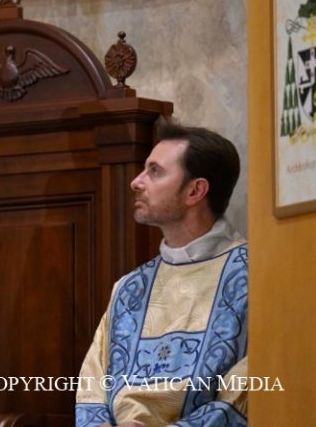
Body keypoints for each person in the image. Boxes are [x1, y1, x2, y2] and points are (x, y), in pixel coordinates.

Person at [75, 121, 247, 426]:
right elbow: (92, 385)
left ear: (195, 190)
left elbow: (250, 387)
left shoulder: (253, 276)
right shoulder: (130, 288)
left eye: (154, 171)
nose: (136, 182)